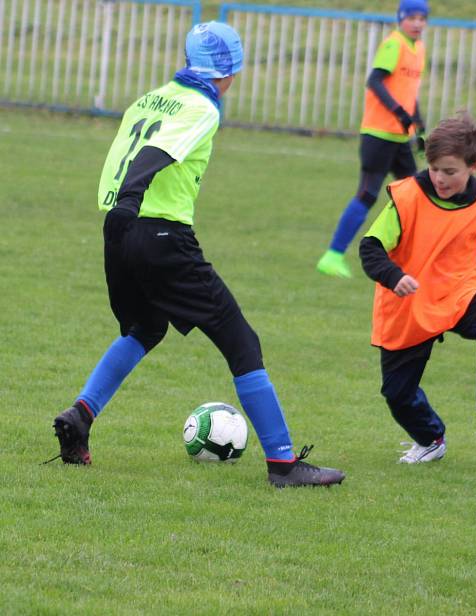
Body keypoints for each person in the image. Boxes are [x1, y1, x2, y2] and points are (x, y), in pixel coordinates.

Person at [47, 22, 345, 488]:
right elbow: (153, 153)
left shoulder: (151, 97)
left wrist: (120, 210)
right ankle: (285, 465)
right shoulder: (203, 106)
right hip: (158, 232)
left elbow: (127, 153)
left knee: (144, 328)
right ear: (229, 72)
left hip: (117, 233)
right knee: (241, 341)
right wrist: (133, 200)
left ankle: (81, 415)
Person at [358, 113, 476, 466]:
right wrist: (394, 277)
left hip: (459, 292)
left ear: (474, 165)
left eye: (450, 171)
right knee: (397, 394)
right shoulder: (407, 197)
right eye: (435, 169)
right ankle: (430, 438)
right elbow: (370, 248)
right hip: (409, 301)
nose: (440, 178)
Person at [316, 0, 428, 279]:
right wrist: (400, 112)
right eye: (411, 17)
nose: (417, 23)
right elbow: (375, 81)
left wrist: (420, 124)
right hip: (378, 134)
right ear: (400, 19)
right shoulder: (394, 44)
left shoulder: (419, 48)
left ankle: (409, 257)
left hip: (401, 136)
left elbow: (409, 93)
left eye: (421, 18)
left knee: (415, 194)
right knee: (368, 194)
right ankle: (332, 256)